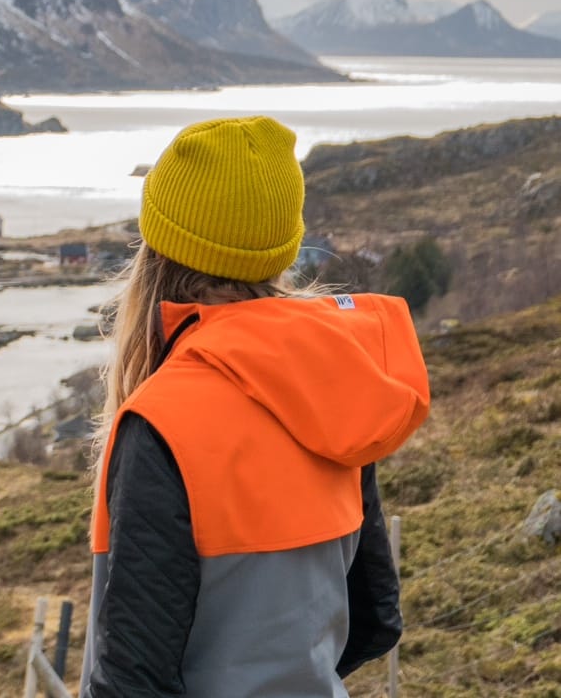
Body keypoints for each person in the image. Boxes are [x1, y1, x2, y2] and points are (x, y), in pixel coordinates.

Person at [83, 115, 432, 698]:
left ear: (158, 251)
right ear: (281, 250)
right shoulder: (334, 381)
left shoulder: (163, 420)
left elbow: (131, 682)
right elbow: (376, 620)